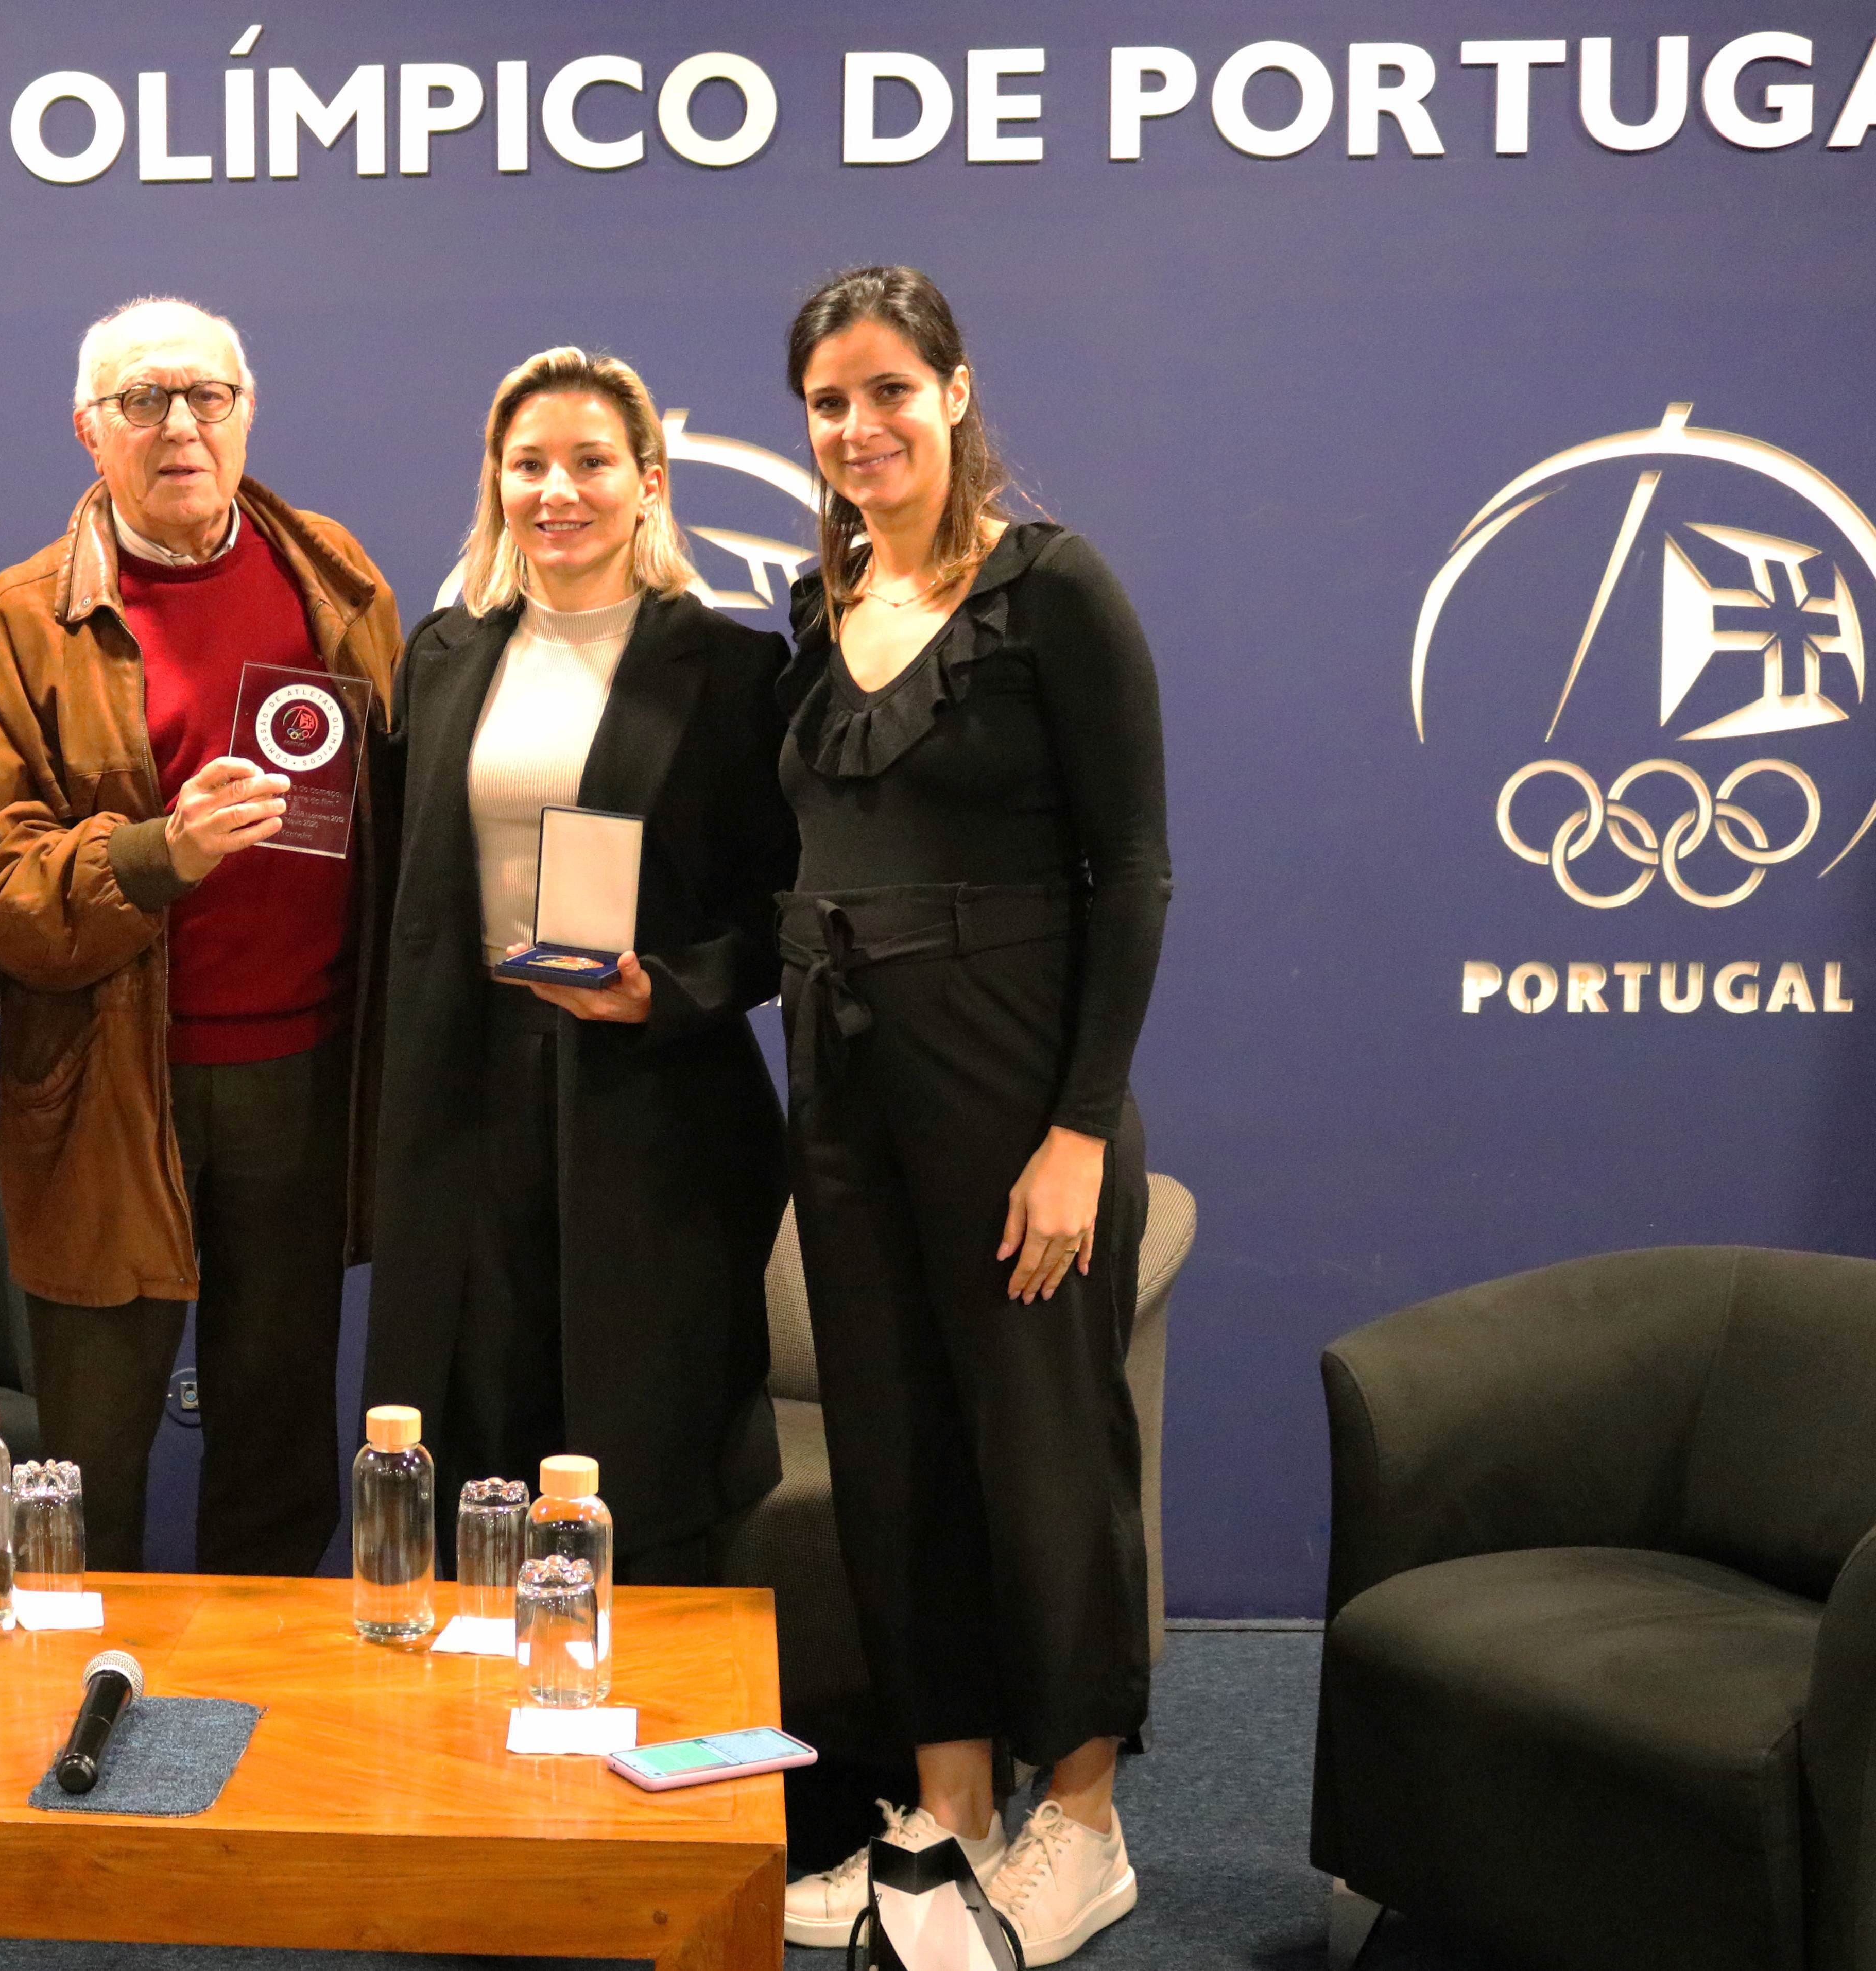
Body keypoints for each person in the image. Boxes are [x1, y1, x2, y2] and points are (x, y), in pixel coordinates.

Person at [769, 265, 1172, 1964]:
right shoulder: (813, 604)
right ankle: (947, 1803)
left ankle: (1081, 1817)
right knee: (893, 1449)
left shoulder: (1051, 589)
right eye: (828, 402)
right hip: (844, 1090)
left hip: (1015, 1096)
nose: (859, 427)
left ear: (951, 390)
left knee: (1039, 1451)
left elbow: (1131, 872)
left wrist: (1078, 1130)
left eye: (888, 391)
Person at [0, 297, 401, 1576]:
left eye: (207, 397)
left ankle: (253, 1690)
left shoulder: (337, 576)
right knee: (85, 1460)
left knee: (280, 1436)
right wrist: (162, 855)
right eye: (142, 401)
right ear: (89, 431)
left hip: (305, 1076)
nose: (180, 426)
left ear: (247, 415)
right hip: (110, 1087)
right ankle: (77, 1684)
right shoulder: (22, 621)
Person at [361, 347, 797, 1585]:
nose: (558, 491)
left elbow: (786, 911)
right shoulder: (445, 654)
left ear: (650, 481)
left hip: (648, 1103)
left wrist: (672, 988)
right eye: (529, 465)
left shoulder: (733, 672)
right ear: (496, 484)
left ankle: (651, 1693)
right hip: (465, 1093)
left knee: (644, 1441)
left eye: (592, 461)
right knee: (473, 1423)